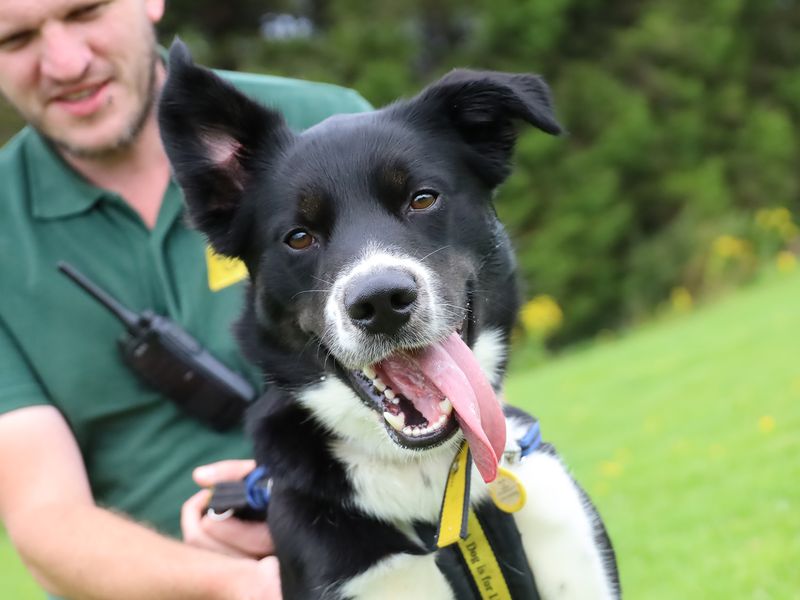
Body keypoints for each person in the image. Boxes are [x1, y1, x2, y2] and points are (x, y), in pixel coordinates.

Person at [0, 1, 372, 598]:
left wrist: (298, 506)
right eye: (15, 40)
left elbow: (445, 393)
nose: (65, 63)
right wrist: (243, 585)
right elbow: (46, 523)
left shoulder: (328, 125)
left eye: (86, 11)